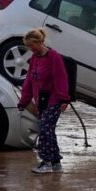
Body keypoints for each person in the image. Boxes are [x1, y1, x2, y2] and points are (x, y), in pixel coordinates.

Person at [17, 28, 70, 174]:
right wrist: (24, 101)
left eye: (32, 45)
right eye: (28, 46)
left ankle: (46, 162)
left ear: (40, 42)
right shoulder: (34, 58)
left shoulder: (54, 57)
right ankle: (56, 163)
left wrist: (64, 99)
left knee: (45, 129)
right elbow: (29, 80)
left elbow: (61, 79)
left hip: (54, 99)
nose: (30, 49)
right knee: (48, 131)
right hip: (41, 100)